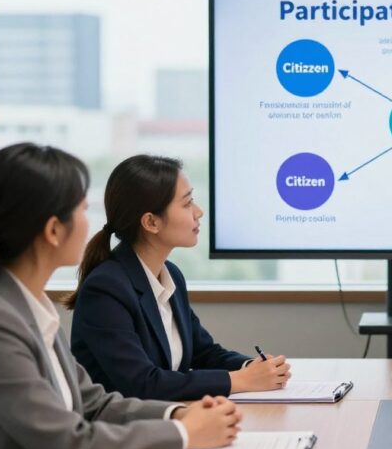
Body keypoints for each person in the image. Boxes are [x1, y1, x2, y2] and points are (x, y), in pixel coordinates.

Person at [0, 143, 242, 449]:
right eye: (81, 209)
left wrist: (178, 415)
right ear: (53, 230)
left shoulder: (26, 306)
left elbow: (93, 403)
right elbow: (68, 444)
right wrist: (183, 433)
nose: (90, 222)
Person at [69, 155, 290, 401]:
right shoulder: (106, 289)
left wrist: (251, 367)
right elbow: (142, 383)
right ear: (151, 222)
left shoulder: (170, 274)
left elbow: (203, 352)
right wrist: (239, 380)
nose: (199, 212)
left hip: (167, 420)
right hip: (121, 431)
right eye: (187, 204)